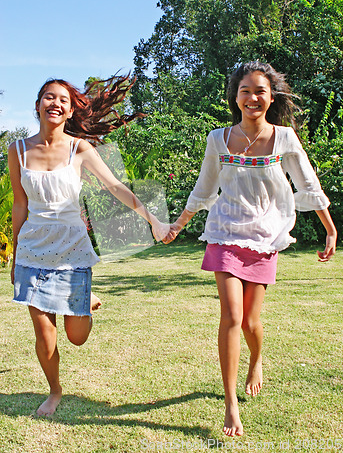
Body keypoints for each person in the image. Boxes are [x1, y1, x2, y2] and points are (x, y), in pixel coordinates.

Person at [163, 61, 337, 437]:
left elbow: (307, 183)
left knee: (249, 323)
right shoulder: (217, 139)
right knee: (230, 315)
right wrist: (178, 224)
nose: (253, 97)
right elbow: (204, 188)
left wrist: (330, 229)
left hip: (264, 234)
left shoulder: (284, 138)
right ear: (235, 97)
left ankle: (256, 358)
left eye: (260, 90)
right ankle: (230, 405)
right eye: (245, 90)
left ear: (271, 97)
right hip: (224, 230)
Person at [8, 75, 168, 417]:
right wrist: (13, 256)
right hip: (32, 250)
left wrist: (152, 218)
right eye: (48, 97)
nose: (55, 103)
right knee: (43, 330)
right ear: (37, 106)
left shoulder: (79, 148)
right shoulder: (17, 150)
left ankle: (86, 299)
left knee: (77, 336)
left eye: (62, 100)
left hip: (72, 250)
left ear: (69, 111)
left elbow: (114, 186)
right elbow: (19, 205)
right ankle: (54, 391)